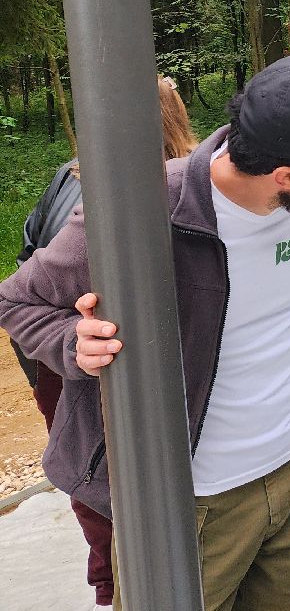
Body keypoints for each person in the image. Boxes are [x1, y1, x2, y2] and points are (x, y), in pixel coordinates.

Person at [0, 55, 290, 611]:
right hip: (195, 504)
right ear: (286, 176)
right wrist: (72, 342)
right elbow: (17, 300)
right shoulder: (142, 213)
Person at [6, 75, 196, 608]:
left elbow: (27, 256)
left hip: (55, 358)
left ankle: (111, 584)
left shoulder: (69, 177)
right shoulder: (174, 188)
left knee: (87, 471)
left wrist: (57, 340)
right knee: (119, 475)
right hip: (105, 355)